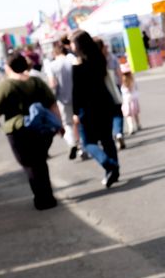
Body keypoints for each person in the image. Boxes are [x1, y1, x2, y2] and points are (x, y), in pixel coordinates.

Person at [0, 52, 62, 210]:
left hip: (18, 129)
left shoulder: (6, 85)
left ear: (8, 66)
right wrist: (59, 124)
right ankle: (48, 196)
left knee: (29, 164)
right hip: (41, 128)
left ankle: (41, 198)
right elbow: (52, 104)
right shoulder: (36, 82)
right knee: (40, 161)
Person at [70, 30, 121, 189]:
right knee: (106, 139)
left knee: (88, 142)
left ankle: (109, 165)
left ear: (78, 45)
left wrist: (75, 112)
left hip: (87, 108)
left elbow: (76, 91)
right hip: (105, 103)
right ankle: (113, 171)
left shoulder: (78, 65)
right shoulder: (100, 58)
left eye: (72, 43)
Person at [43, 37, 79, 159]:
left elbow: (52, 84)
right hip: (77, 95)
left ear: (55, 53)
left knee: (67, 123)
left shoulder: (52, 66)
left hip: (62, 99)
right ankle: (82, 147)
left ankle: (72, 143)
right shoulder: (72, 61)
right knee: (78, 121)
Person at [119, 69, 140, 136]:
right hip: (134, 100)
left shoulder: (122, 84)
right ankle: (138, 124)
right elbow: (136, 89)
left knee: (129, 116)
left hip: (127, 102)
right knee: (136, 114)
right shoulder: (133, 81)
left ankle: (131, 127)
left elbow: (122, 92)